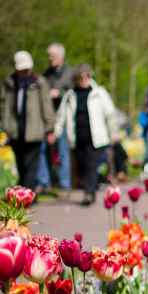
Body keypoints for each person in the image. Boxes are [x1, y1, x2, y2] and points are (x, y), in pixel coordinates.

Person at [53, 64, 117, 206]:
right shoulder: (70, 95)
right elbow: (61, 117)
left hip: (96, 138)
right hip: (77, 137)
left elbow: (110, 114)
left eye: (86, 76)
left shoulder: (99, 93)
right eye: (81, 77)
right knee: (82, 166)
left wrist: (113, 133)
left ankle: (89, 193)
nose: (84, 79)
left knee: (91, 165)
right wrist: (56, 133)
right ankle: (90, 190)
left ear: (90, 76)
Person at [0, 51, 55, 189]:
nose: (25, 72)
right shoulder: (9, 84)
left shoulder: (39, 83)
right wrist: (5, 127)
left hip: (34, 132)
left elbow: (47, 106)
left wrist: (50, 129)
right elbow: (4, 107)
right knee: (20, 165)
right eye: (22, 69)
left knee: (31, 166)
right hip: (15, 132)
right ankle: (23, 193)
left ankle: (26, 195)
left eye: (27, 69)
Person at [37, 43, 74, 196]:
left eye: (52, 55)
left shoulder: (69, 73)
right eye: (49, 55)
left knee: (63, 150)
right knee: (43, 150)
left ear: (61, 56)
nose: (50, 58)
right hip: (47, 118)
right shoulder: (46, 74)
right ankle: (44, 183)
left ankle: (65, 185)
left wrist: (58, 93)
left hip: (63, 118)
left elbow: (72, 92)